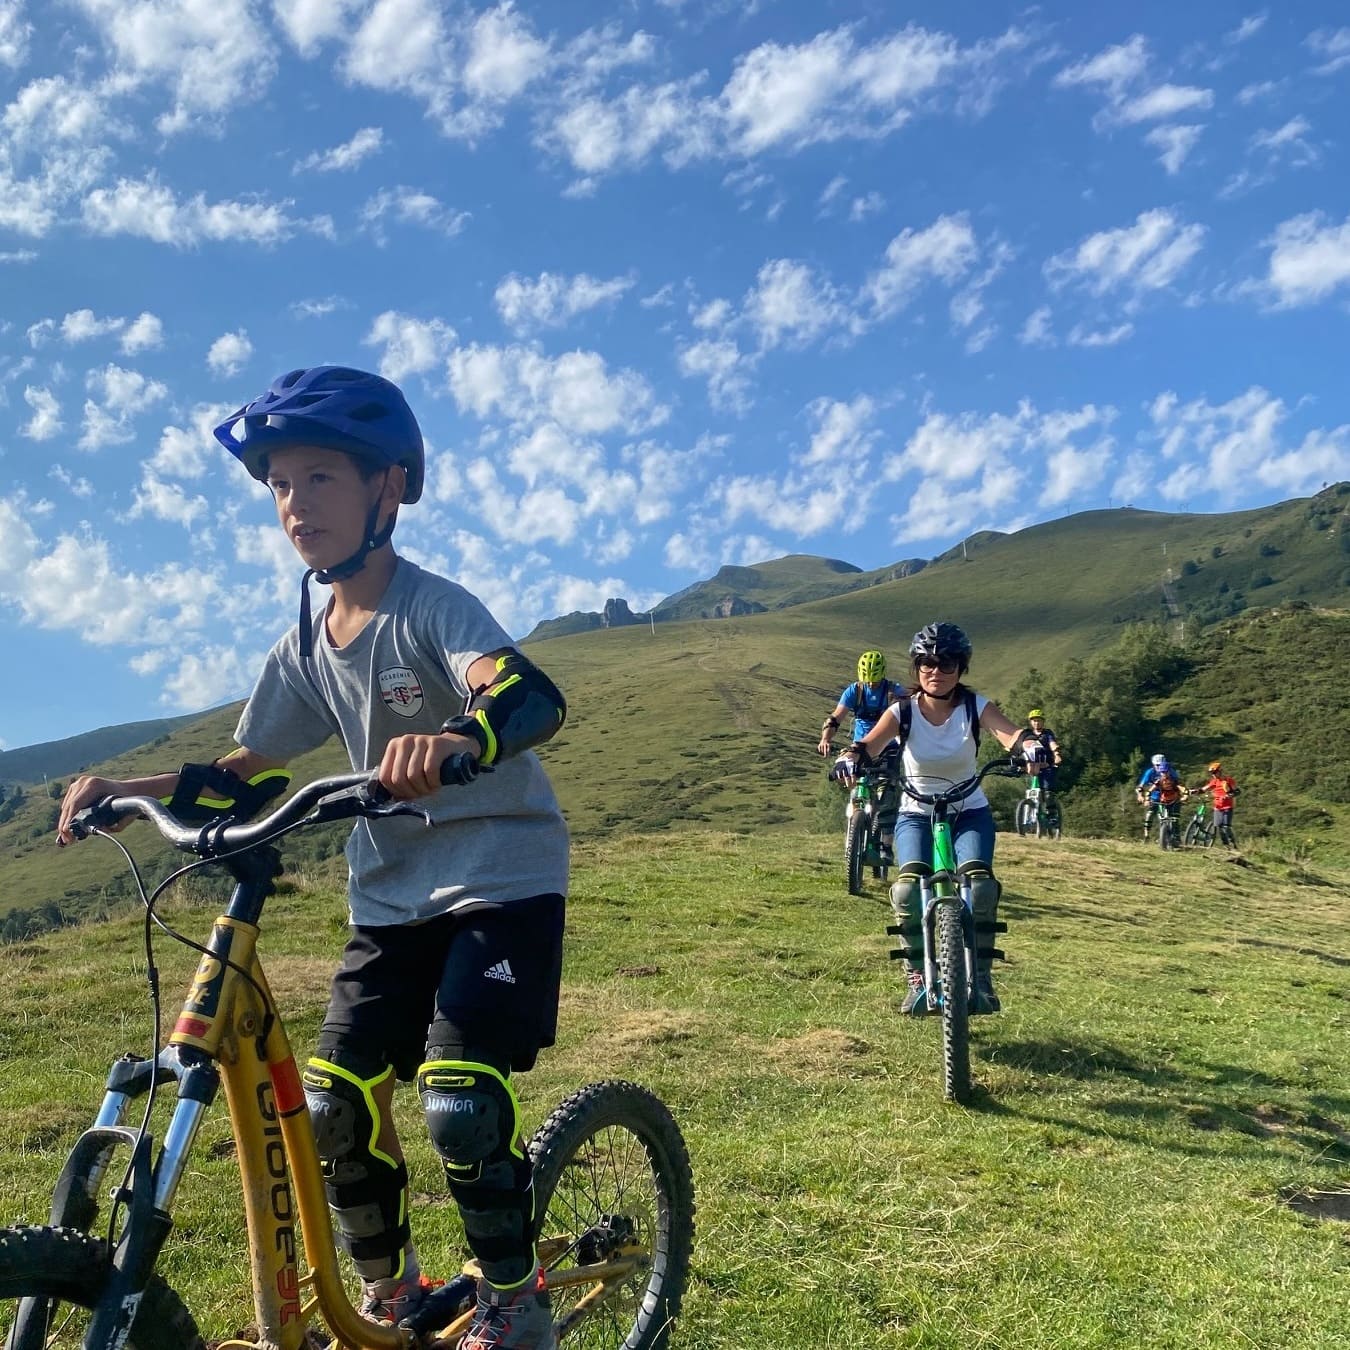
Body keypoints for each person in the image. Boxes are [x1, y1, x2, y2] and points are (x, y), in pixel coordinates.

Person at [56, 366, 568, 1349]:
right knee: (330, 1106)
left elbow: (526, 691)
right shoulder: (304, 637)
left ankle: (515, 1297)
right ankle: (387, 1293)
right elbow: (249, 768)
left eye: (320, 478)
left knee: (457, 1104)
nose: (295, 505)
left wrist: (462, 739)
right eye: (281, 485)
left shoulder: (431, 607)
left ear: (388, 488)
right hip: (389, 895)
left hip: (499, 882)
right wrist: (134, 791)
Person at [833, 622, 1043, 1016]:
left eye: (946, 663)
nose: (936, 671)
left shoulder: (973, 705)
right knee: (907, 891)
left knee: (981, 889)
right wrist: (851, 757)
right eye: (927, 663)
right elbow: (870, 743)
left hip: (969, 811)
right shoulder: (902, 711)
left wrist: (1028, 745)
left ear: (960, 668)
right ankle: (916, 977)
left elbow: (1010, 734)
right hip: (916, 812)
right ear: (916, 668)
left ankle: (980, 978)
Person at [819, 649, 901, 864]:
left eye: (874, 682)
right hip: (860, 750)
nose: (870, 685)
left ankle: (886, 846)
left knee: (886, 795)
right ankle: (854, 833)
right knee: (857, 790)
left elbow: (907, 717)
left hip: (888, 748)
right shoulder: (854, 691)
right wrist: (825, 739)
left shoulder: (894, 692)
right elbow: (835, 718)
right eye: (867, 681)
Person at [1136, 753, 1185, 843]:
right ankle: (1146, 836)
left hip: (1168, 797)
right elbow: (1141, 786)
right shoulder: (1150, 772)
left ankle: (1168, 837)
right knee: (1149, 815)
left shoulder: (1171, 772)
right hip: (1154, 796)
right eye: (1157, 765)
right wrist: (1140, 795)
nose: (1159, 768)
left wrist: (1183, 795)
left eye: (1161, 765)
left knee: (1169, 817)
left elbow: (1178, 785)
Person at [1194, 760, 1240, 849]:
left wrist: (1228, 795)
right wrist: (1194, 791)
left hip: (1227, 806)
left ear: (1220, 771)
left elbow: (1237, 791)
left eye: (1215, 772)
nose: (1213, 775)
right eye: (1212, 773)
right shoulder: (1214, 781)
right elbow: (1204, 789)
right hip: (1218, 807)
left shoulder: (1228, 780)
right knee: (1219, 826)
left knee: (1226, 827)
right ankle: (1226, 846)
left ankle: (1233, 843)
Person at [1024, 709, 1063, 813]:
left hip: (1047, 766)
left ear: (1043, 722)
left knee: (1048, 793)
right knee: (1030, 791)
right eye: (1034, 720)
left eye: (1039, 720)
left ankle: (1052, 815)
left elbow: (1052, 743)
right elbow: (1021, 747)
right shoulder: (1027, 734)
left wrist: (1057, 754)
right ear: (1030, 722)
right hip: (1031, 766)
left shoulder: (1047, 733)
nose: (1036, 723)